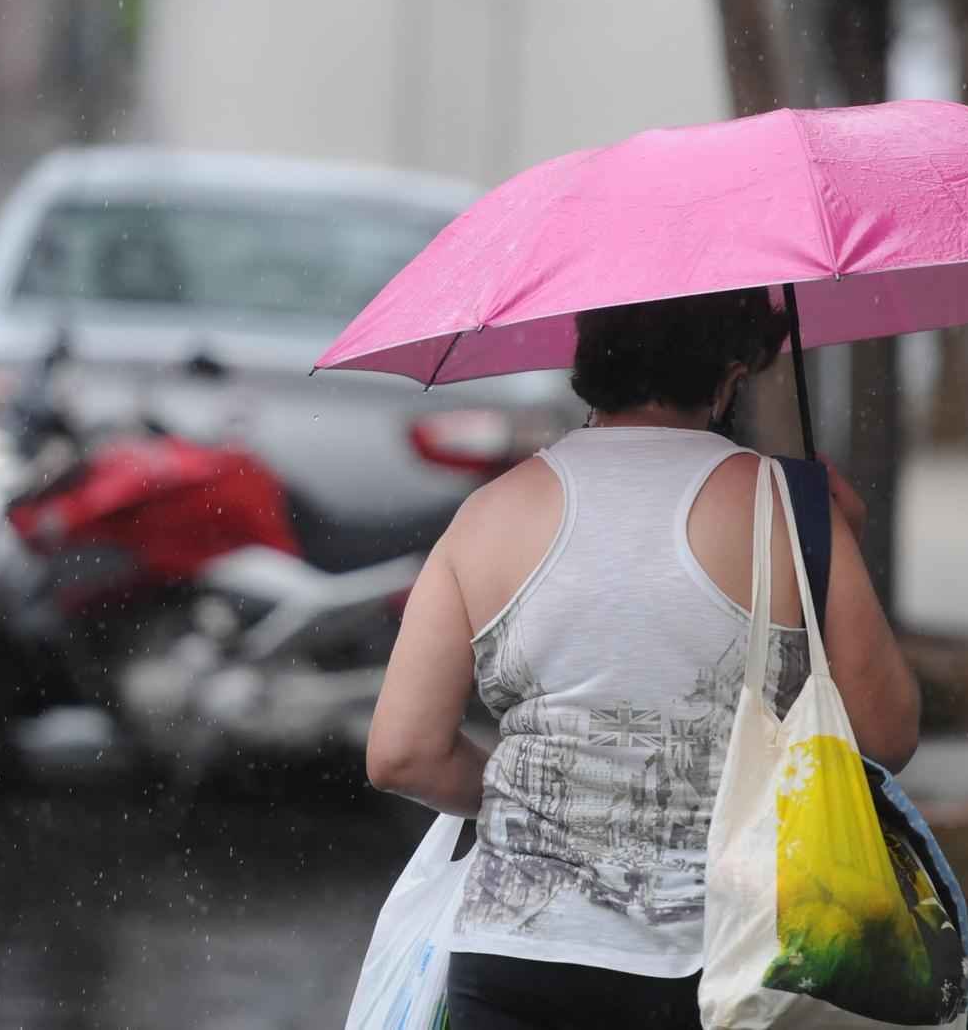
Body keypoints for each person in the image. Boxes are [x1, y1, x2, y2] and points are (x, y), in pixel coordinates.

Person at [366, 289, 922, 1030]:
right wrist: (827, 539)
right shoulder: (788, 509)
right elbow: (884, 735)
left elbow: (403, 754)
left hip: (513, 962)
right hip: (728, 964)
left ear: (589, 360)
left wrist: (536, 797)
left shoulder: (489, 514)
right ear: (728, 379)